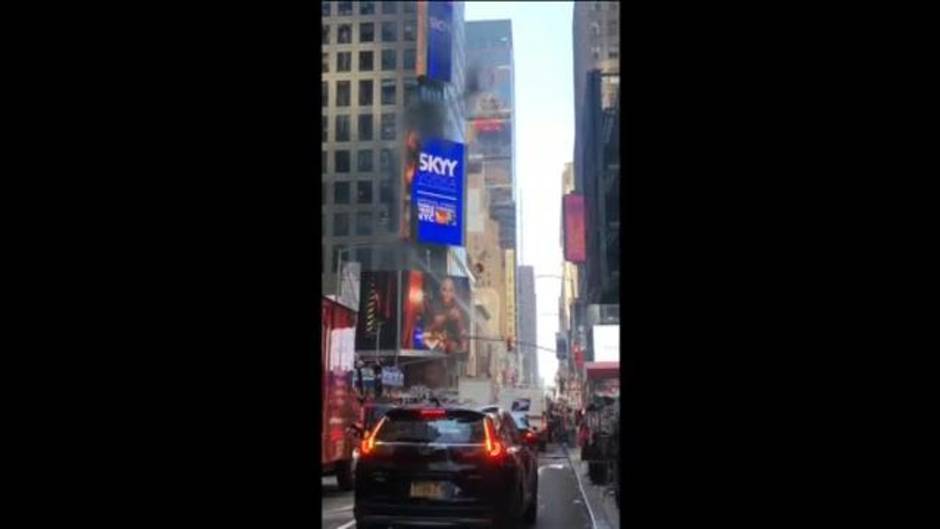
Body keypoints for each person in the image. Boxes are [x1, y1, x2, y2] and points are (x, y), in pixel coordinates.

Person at [423, 278, 468, 354]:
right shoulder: (433, 304)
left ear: (454, 293)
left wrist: (463, 344)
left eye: (451, 290)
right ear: (440, 291)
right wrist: (447, 316)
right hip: (432, 347)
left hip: (450, 353)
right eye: (444, 289)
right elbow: (428, 335)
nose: (447, 293)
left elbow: (463, 332)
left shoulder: (458, 307)